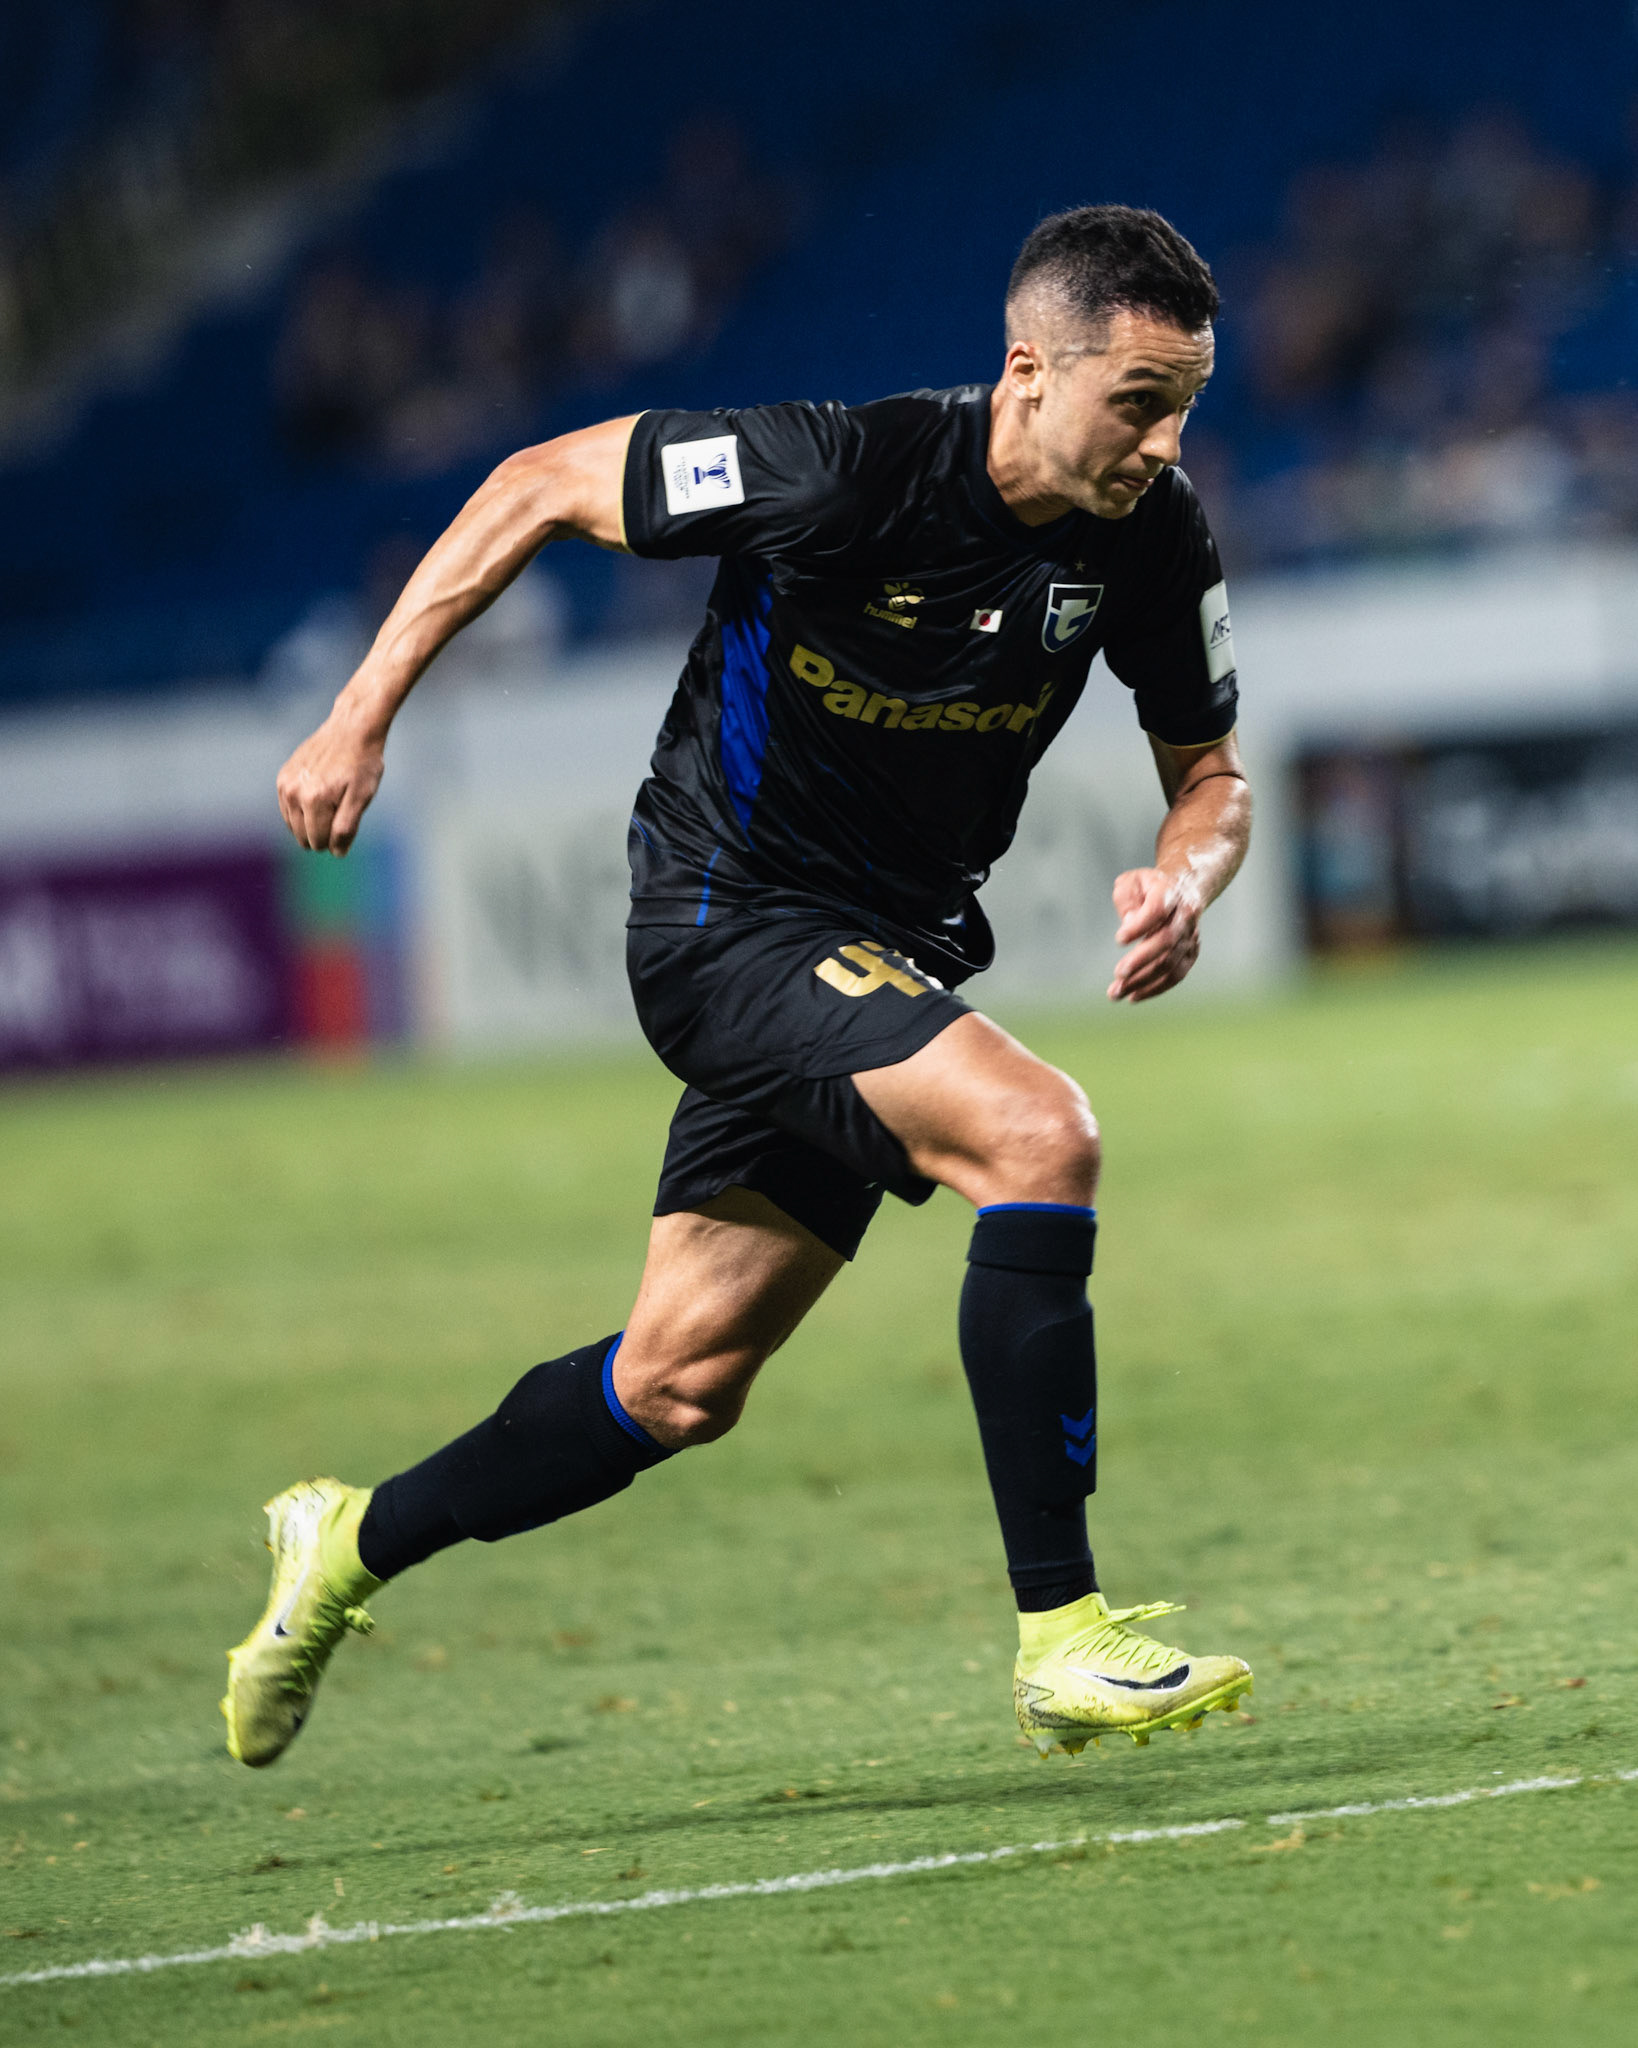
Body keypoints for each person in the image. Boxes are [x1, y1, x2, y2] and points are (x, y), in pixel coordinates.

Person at [224, 204, 1254, 1769]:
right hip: (725, 920)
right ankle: (1064, 1634)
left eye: (1184, 404)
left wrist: (1182, 877)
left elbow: (1211, 775)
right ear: (1027, 369)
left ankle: (346, 1546)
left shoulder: (1150, 535)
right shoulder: (844, 467)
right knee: (1039, 1136)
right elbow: (535, 484)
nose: (1165, 440)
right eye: (1136, 403)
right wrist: (358, 714)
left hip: (879, 954)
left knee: (679, 1379)